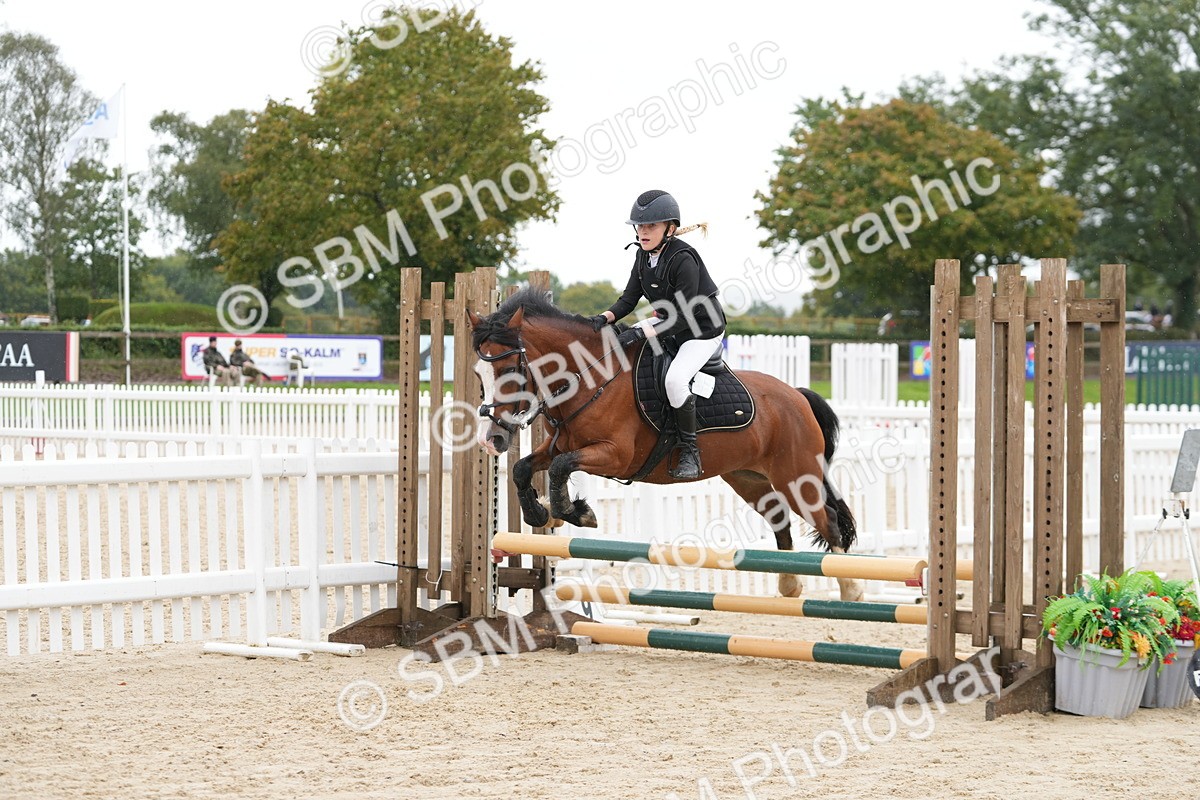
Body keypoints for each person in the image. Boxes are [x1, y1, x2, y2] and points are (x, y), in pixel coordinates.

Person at [587, 189, 726, 480]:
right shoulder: (642, 256)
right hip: (671, 326)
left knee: (675, 380)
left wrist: (642, 332)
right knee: (622, 349)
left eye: (651, 226)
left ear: (670, 229)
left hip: (701, 331)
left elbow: (684, 315)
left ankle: (690, 450)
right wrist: (603, 318)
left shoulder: (683, 258)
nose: (643, 232)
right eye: (639, 226)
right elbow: (628, 299)